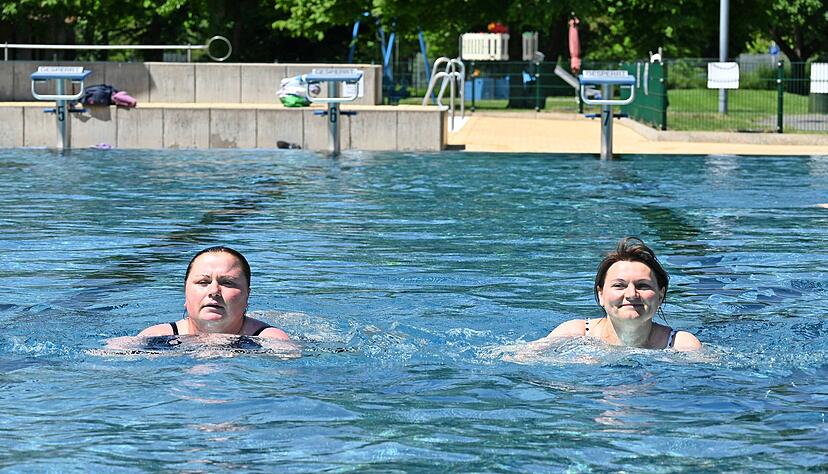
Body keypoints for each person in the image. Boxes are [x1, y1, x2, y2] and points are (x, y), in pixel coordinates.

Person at [523, 237, 701, 352]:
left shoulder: (681, 345)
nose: (631, 294)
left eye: (642, 285)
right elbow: (518, 358)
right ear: (601, 295)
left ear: (660, 296)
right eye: (619, 285)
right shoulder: (574, 333)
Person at [138, 246, 291, 340]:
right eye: (203, 282)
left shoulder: (271, 341)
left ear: (247, 296)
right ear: (185, 293)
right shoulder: (155, 337)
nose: (214, 291)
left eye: (227, 283)